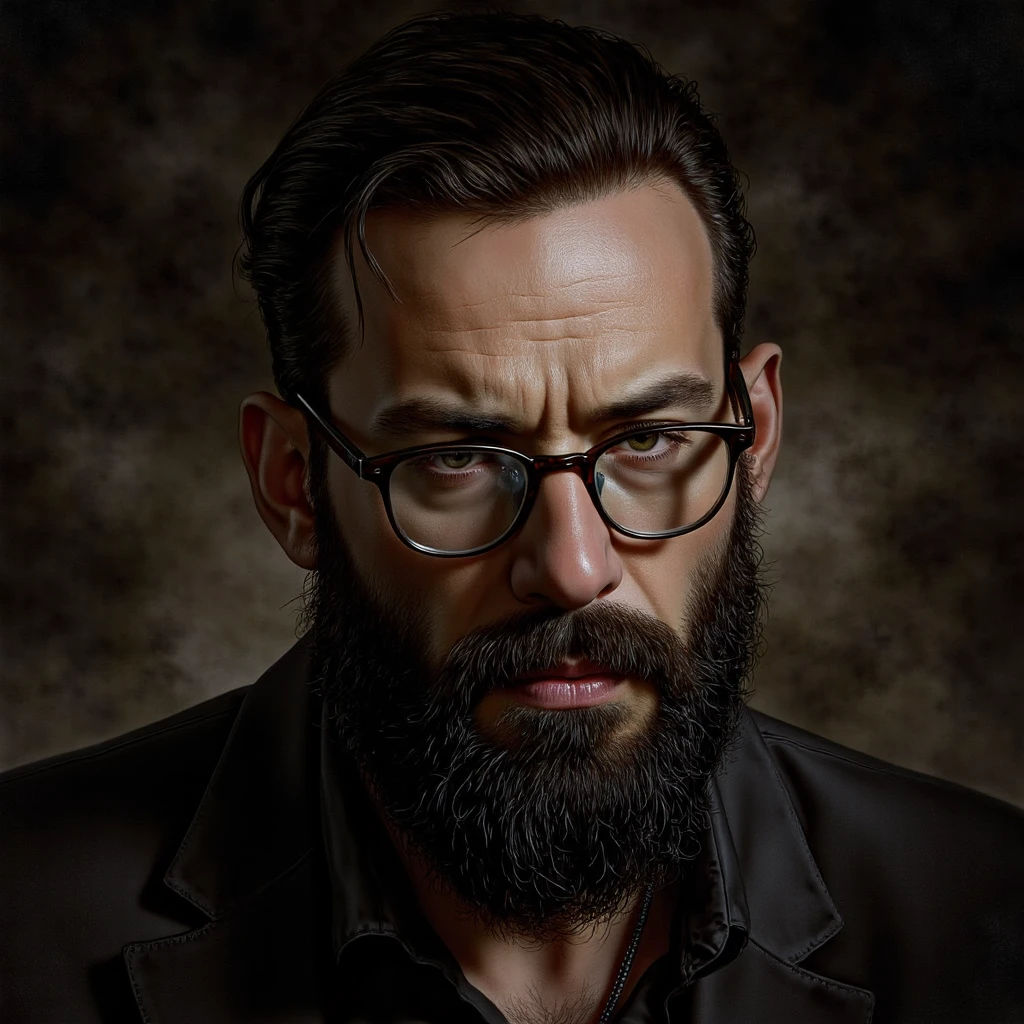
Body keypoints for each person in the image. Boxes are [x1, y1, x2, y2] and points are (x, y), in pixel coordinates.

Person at [1, 10, 1021, 1024]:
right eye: (456, 459)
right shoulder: (19, 925)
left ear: (751, 436)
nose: (573, 565)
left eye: (648, 442)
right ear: (291, 483)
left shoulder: (991, 918)